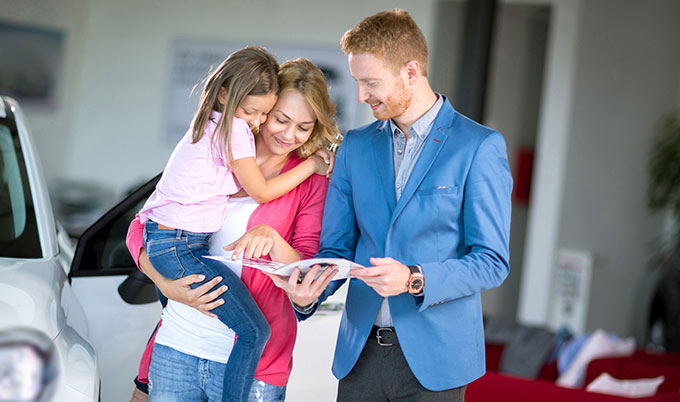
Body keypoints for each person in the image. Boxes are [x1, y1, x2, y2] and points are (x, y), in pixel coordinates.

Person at [269, 9, 513, 402]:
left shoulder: (479, 147)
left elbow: (492, 261)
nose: (362, 95)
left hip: (437, 362)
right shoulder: (355, 146)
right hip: (360, 356)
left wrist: (414, 278)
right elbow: (337, 249)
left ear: (411, 72)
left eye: (371, 83)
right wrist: (309, 291)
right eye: (358, 82)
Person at [127, 58, 341, 402]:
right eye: (281, 119)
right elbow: (143, 225)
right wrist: (165, 284)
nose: (288, 134)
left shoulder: (310, 182)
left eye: (303, 127)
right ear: (261, 109)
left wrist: (273, 240)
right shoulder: (217, 149)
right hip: (178, 348)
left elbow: (306, 264)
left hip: (257, 366)